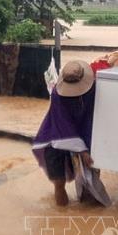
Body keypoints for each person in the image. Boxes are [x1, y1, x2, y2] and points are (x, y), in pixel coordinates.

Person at [32, 60, 110, 207]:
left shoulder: (95, 87)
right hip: (56, 138)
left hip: (85, 134)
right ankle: (62, 215)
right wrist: (83, 151)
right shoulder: (57, 94)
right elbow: (64, 125)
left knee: (91, 176)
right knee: (59, 183)